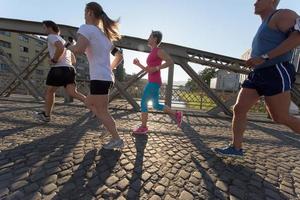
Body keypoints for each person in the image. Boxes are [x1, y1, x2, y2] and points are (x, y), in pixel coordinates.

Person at [214, 0, 300, 157]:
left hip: (275, 71)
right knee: (239, 108)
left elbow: (297, 37)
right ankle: (236, 148)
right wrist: (256, 60)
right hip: (258, 74)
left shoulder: (282, 15)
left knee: (280, 117)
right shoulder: (264, 24)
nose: (255, 2)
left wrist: (264, 57)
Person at [68, 2, 124, 149]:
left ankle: (117, 139)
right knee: (92, 105)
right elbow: (119, 56)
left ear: (90, 13)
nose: (84, 16)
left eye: (85, 13)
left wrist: (68, 47)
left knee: (100, 110)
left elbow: (79, 49)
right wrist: (110, 68)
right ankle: (110, 129)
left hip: (99, 77)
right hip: (106, 77)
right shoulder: (104, 36)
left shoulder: (86, 29)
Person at [133, 31, 183, 134]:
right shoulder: (152, 52)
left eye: (150, 37)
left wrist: (157, 68)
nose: (148, 38)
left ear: (155, 39)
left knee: (143, 103)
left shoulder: (158, 51)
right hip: (153, 81)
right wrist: (139, 64)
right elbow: (149, 70)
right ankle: (176, 113)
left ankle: (143, 127)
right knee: (155, 105)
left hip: (154, 82)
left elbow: (170, 61)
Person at [36, 20, 86, 122]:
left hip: (58, 68)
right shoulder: (64, 41)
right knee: (73, 92)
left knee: (50, 91)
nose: (43, 30)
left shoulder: (51, 36)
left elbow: (59, 48)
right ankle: (95, 107)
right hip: (70, 69)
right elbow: (74, 60)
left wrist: (54, 60)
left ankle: (46, 115)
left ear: (50, 28)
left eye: (44, 27)